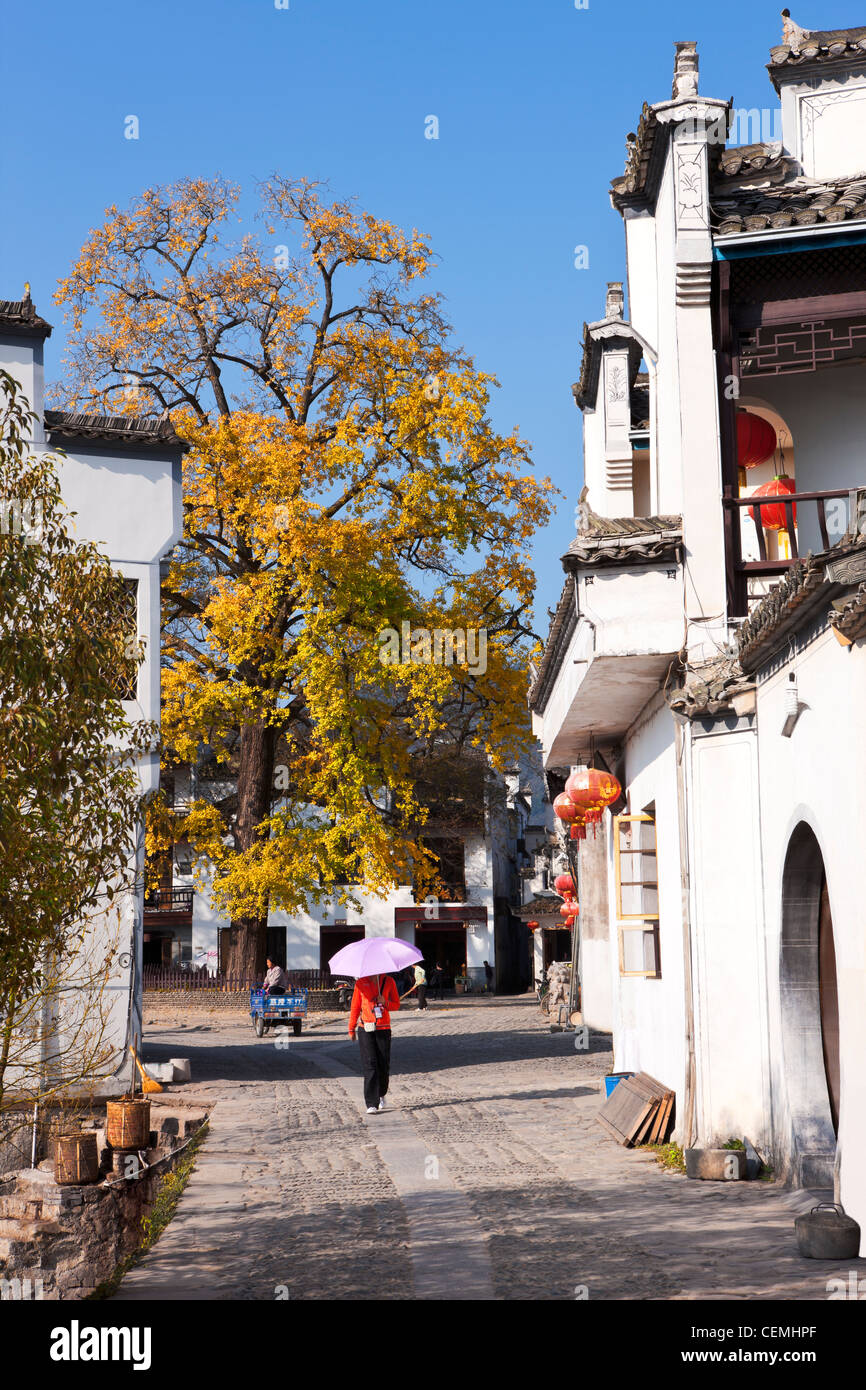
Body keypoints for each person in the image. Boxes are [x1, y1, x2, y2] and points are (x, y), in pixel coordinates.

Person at [348, 974, 401, 1113]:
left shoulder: (389, 981)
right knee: (370, 1064)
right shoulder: (361, 983)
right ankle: (371, 1103)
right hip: (365, 1028)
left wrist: (385, 1002)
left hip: (383, 1028)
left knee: (383, 1065)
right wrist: (351, 1028)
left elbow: (396, 1005)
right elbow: (355, 1007)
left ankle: (381, 1092)